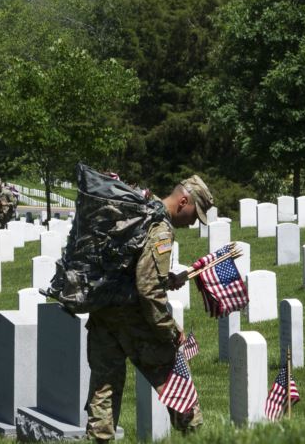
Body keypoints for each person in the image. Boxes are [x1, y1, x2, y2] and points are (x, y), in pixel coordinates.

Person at [85, 175, 214, 442]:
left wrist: (167, 279)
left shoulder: (139, 210)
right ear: (183, 201)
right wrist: (170, 330)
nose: (192, 222)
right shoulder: (160, 228)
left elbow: (135, 271)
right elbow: (148, 291)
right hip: (136, 321)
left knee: (103, 395)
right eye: (194, 214)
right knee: (181, 393)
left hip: (103, 313)